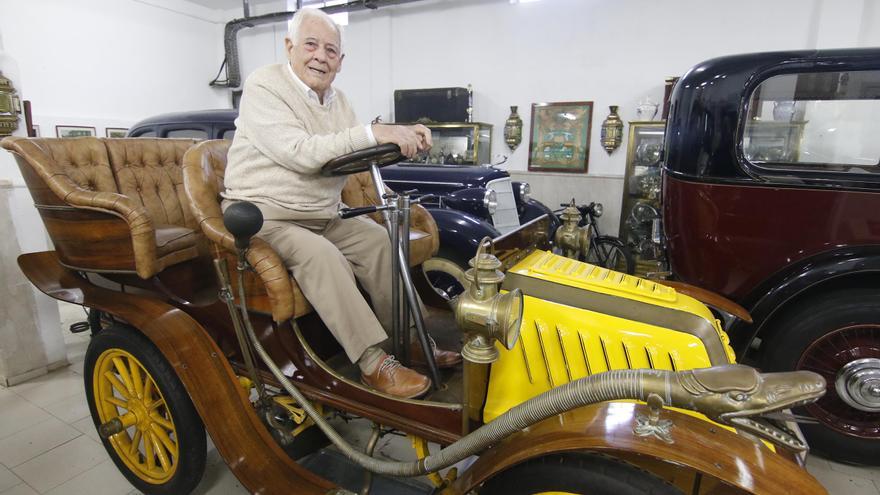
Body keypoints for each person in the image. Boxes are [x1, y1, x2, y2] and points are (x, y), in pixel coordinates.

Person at [222, 8, 459, 399]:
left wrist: (401, 138)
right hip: (267, 217)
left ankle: (411, 340)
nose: (321, 56)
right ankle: (372, 362)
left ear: (341, 61)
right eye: (311, 45)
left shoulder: (338, 101)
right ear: (290, 47)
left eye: (331, 50)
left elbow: (352, 151)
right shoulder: (265, 86)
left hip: (323, 214)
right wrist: (373, 132)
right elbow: (300, 152)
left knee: (381, 242)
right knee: (322, 256)